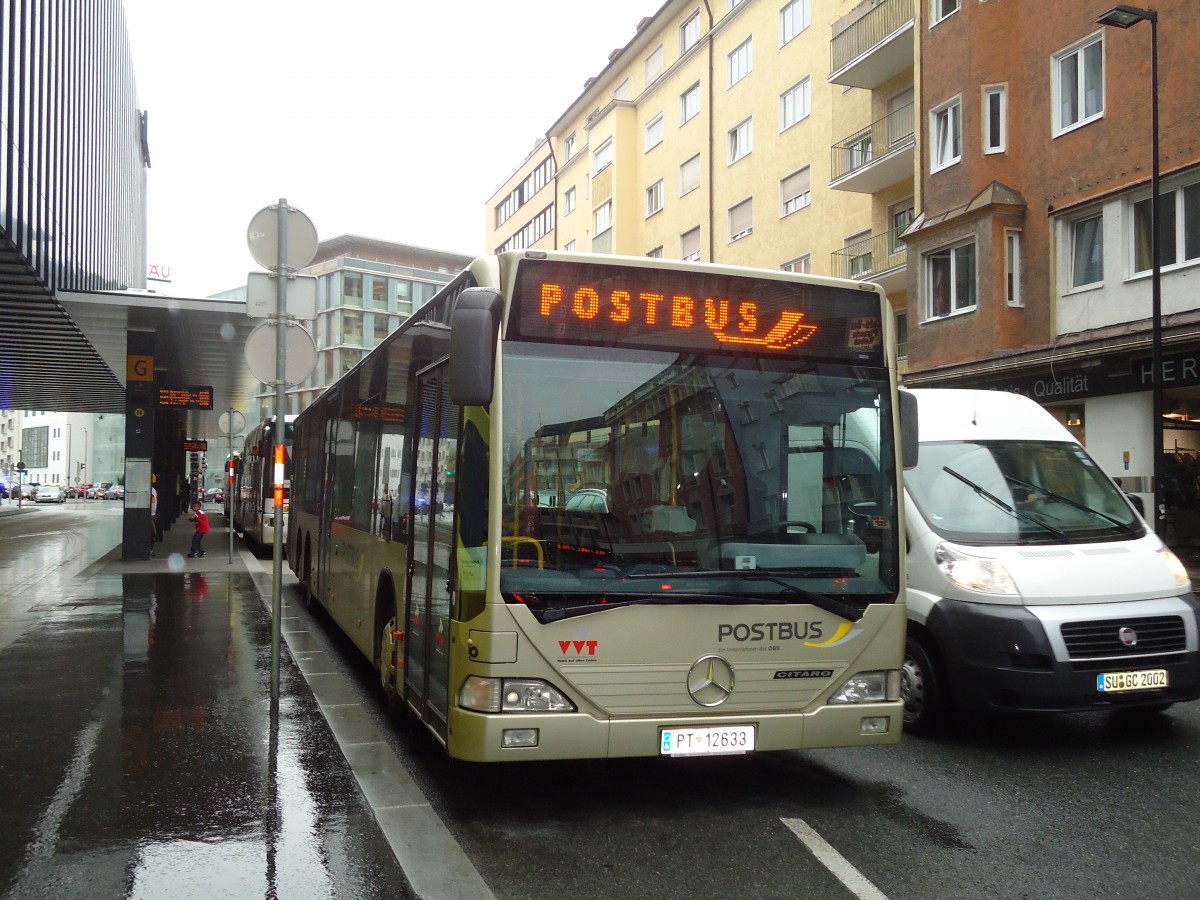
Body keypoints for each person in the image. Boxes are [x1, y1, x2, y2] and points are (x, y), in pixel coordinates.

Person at [149, 481, 159, 557]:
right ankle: (149, 549)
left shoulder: (153, 489)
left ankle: (150, 549)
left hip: (153, 514)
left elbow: (154, 501)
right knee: (153, 533)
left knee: (153, 533)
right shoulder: (149, 489)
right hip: (150, 515)